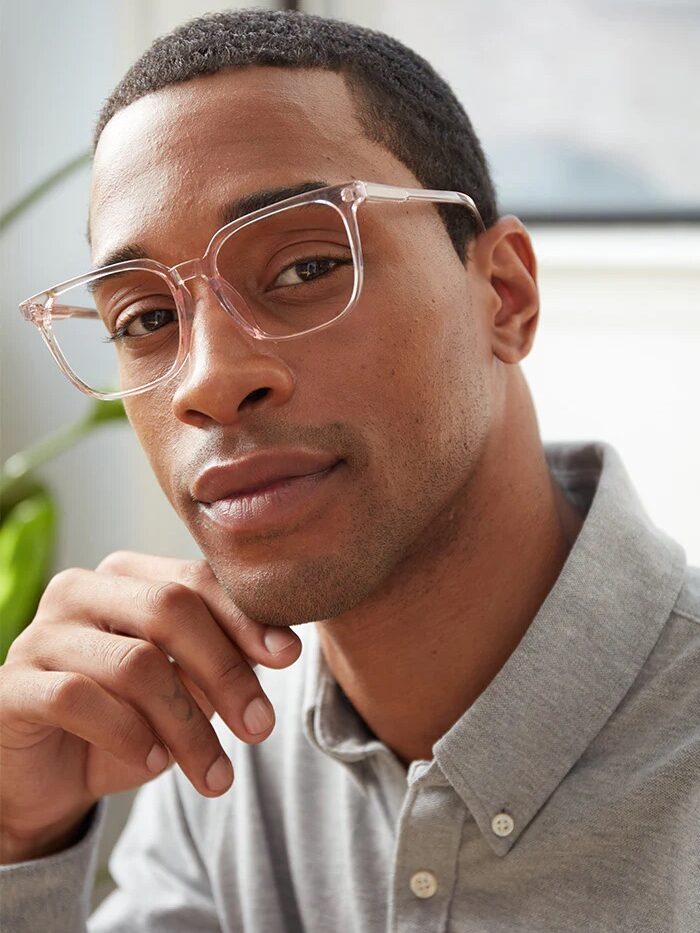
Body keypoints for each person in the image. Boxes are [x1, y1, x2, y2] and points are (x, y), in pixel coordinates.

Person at [0, 8, 698, 932]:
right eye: (147, 320)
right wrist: (21, 836)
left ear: (504, 296)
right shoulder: (226, 748)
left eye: (305, 268)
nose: (208, 382)